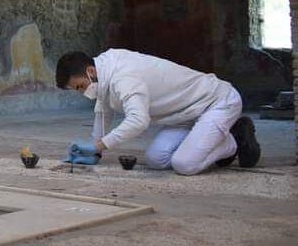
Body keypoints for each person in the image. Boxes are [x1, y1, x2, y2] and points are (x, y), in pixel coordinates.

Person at [55, 49, 260, 174]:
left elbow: (138, 120)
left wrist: (100, 145)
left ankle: (235, 138)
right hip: (182, 115)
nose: (82, 92)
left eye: (80, 86)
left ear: (90, 72)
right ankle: (209, 139)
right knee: (156, 160)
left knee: (184, 164)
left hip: (216, 101)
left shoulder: (122, 76)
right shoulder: (103, 70)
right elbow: (103, 110)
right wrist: (95, 151)